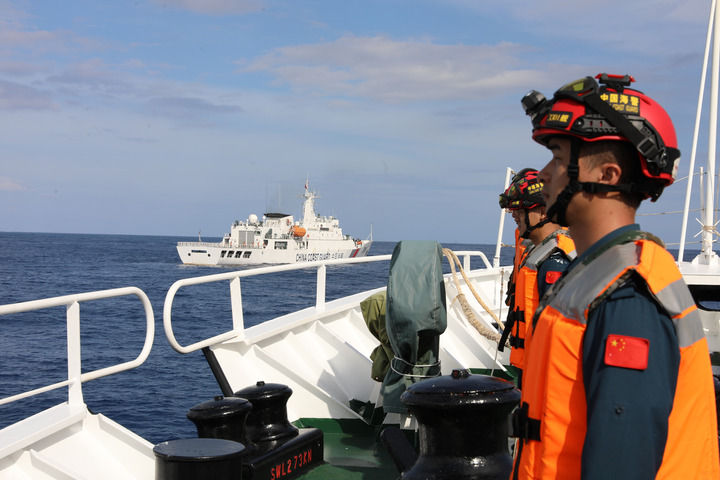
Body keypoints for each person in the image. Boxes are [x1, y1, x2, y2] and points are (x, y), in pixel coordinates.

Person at [511, 73, 720, 479]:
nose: (544, 174)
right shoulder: (596, 274)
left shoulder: (627, 297)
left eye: (557, 157)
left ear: (606, 175)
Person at [497, 168, 575, 388]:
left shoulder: (555, 262)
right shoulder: (541, 254)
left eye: (520, 210)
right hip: (534, 369)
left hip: (548, 378)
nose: (515, 215)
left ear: (542, 212)